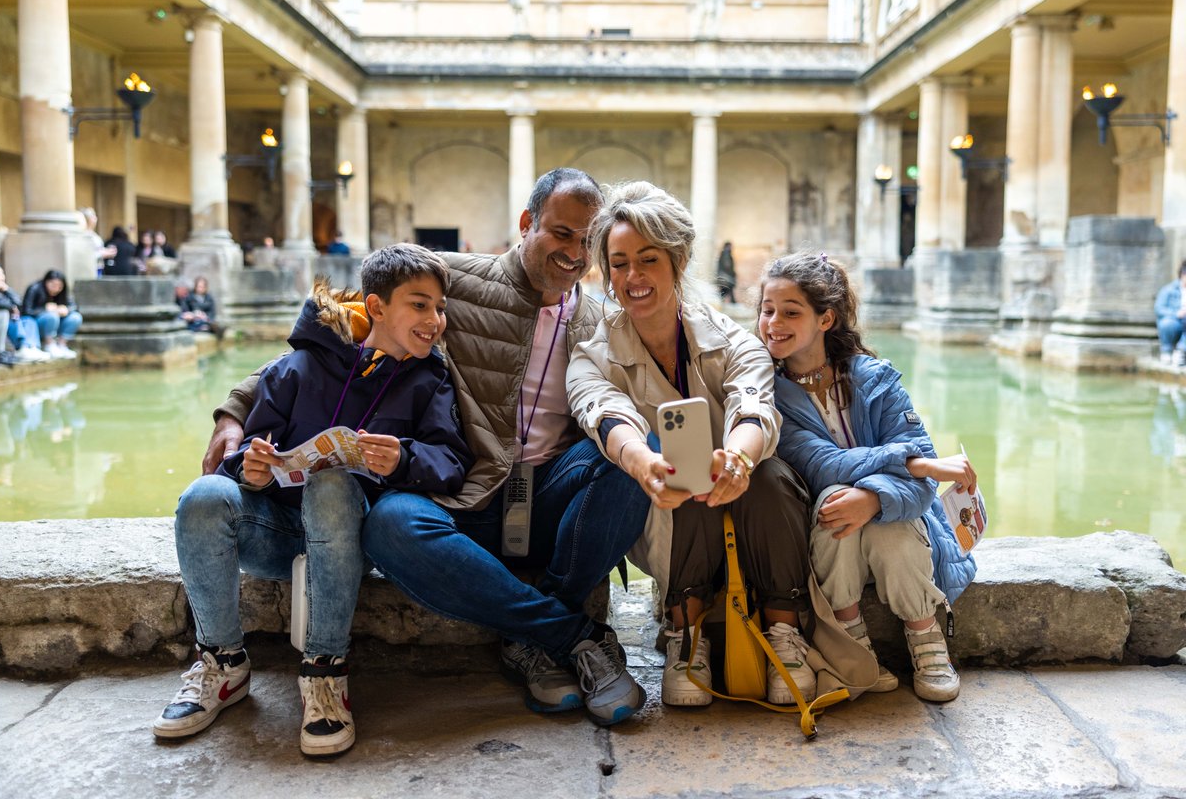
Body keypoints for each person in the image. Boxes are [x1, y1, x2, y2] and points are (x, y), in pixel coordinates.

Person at [201, 168, 651, 727]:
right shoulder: (452, 281)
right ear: (526, 223)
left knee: (636, 453)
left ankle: (535, 636)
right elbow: (336, 330)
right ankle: (569, 637)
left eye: (589, 241)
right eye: (561, 233)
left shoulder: (602, 321)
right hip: (470, 501)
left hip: (551, 493)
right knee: (390, 522)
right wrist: (236, 408)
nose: (574, 252)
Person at [154, 244, 474, 756]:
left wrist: (405, 458)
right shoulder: (296, 368)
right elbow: (250, 452)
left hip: (354, 544)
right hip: (281, 534)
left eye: (440, 307)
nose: (436, 320)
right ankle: (221, 663)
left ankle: (325, 672)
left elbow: (452, 463)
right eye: (420, 305)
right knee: (203, 495)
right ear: (375, 307)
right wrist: (252, 469)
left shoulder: (429, 380)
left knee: (331, 483)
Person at [566, 182, 820, 708]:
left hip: (750, 503)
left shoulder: (734, 340)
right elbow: (603, 414)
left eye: (647, 259)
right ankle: (686, 632)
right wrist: (643, 464)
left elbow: (755, 405)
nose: (632, 277)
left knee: (770, 473)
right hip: (665, 512)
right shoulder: (592, 355)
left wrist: (740, 459)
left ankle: (784, 628)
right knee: (680, 473)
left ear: (677, 260)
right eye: (618, 263)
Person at [758, 251, 978, 703]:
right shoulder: (768, 394)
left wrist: (877, 499)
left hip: (897, 529)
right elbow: (820, 465)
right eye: (767, 310)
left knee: (889, 520)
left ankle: (924, 634)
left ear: (826, 319)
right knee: (837, 497)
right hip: (826, 530)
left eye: (790, 311)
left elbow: (919, 493)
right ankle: (852, 643)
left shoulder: (876, 379)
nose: (773, 322)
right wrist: (915, 461)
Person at [0, 264, 50, 363]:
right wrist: (11, 307)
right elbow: (6, 305)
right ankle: (21, 348)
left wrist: (7, 290)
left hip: (0, 325)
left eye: (2, 274)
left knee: (28, 320)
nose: (1, 278)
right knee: (3, 314)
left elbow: (20, 305)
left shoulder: (2, 290)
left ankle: (32, 347)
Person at [21, 270, 82, 359]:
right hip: (38, 325)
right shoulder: (34, 288)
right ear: (46, 281)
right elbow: (26, 311)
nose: (56, 289)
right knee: (52, 316)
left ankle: (62, 345)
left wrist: (66, 309)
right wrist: (44, 309)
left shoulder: (63, 292)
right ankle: (49, 344)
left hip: (58, 324)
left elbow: (74, 307)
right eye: (53, 285)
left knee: (76, 317)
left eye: (59, 286)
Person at [1155, 260, 1186, 367]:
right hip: (1174, 320)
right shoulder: (1168, 290)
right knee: (1167, 324)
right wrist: (1176, 313)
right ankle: (1167, 351)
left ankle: (1181, 350)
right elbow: (1159, 309)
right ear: (1182, 274)